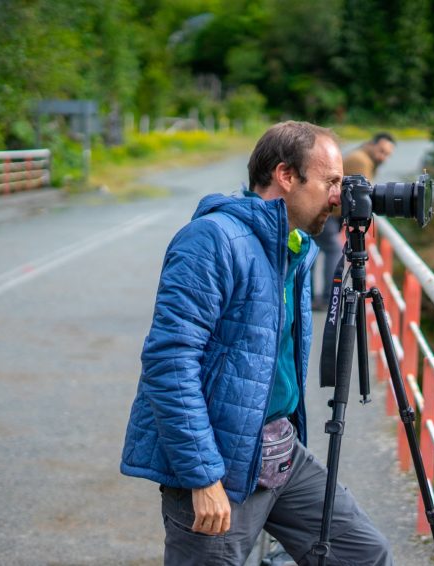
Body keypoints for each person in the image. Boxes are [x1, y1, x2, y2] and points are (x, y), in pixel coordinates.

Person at [120, 121, 393, 566]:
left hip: (280, 448)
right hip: (220, 463)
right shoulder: (213, 240)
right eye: (330, 182)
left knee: (362, 553)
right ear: (286, 176)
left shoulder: (293, 245)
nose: (338, 197)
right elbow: (169, 362)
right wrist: (202, 478)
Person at [312, 132, 396, 310]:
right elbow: (364, 195)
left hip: (331, 212)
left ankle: (313, 296)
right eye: (381, 151)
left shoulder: (362, 157)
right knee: (333, 250)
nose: (383, 157)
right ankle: (328, 298)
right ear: (371, 144)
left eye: (387, 154)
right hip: (327, 212)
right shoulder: (361, 160)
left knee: (314, 251)